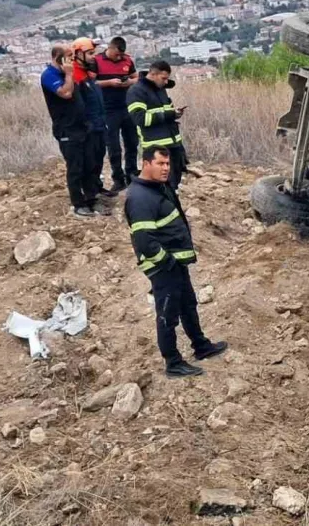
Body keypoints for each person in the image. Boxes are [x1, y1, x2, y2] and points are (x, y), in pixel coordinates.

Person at [125, 146, 227, 378]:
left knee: (188, 304)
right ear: (146, 163)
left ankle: (201, 346)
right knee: (168, 313)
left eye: (168, 164)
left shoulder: (158, 187)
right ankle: (172, 362)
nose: (166, 169)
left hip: (175, 263)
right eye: (160, 164)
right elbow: (144, 240)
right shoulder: (139, 198)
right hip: (163, 267)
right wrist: (166, 262)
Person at [40, 45, 100, 217]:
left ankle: (91, 199)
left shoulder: (70, 73)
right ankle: (78, 204)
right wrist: (68, 74)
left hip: (82, 125)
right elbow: (65, 93)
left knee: (90, 163)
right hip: (67, 129)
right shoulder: (49, 75)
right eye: (68, 56)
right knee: (75, 167)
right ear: (59, 58)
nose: (72, 60)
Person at [126, 60, 187, 190]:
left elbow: (165, 113)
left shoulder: (160, 90)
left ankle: (172, 208)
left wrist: (175, 114)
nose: (166, 82)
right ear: (153, 74)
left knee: (173, 184)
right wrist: (169, 114)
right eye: (163, 78)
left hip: (173, 143)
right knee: (160, 186)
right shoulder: (136, 91)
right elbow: (140, 119)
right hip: (155, 147)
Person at [71, 37, 115, 206]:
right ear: (78, 54)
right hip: (89, 127)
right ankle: (90, 197)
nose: (93, 57)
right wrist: (87, 125)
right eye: (89, 53)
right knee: (88, 162)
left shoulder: (87, 74)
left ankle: (96, 187)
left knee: (98, 158)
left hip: (99, 124)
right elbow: (78, 106)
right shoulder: (75, 76)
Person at [95, 36, 139, 192]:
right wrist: (109, 83)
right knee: (113, 146)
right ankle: (118, 178)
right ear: (110, 48)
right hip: (108, 110)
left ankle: (132, 174)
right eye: (117, 55)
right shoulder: (97, 61)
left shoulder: (127, 60)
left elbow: (136, 78)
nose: (119, 57)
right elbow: (91, 83)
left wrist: (128, 82)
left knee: (132, 142)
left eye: (121, 55)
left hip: (127, 107)